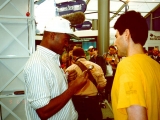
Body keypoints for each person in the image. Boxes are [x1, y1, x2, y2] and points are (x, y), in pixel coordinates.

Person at [23, 17, 89, 120]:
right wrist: (73, 88)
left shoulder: (51, 59)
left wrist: (65, 79)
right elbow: (44, 111)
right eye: (65, 40)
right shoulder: (37, 63)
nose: (67, 44)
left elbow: (50, 86)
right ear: (52, 36)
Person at [111, 10, 160, 120]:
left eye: (116, 36)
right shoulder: (155, 65)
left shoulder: (127, 66)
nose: (115, 43)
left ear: (127, 34)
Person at [65, 47, 107, 120]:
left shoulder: (69, 69)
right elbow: (102, 84)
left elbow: (66, 88)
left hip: (77, 102)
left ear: (74, 57)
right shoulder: (97, 67)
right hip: (93, 101)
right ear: (84, 55)